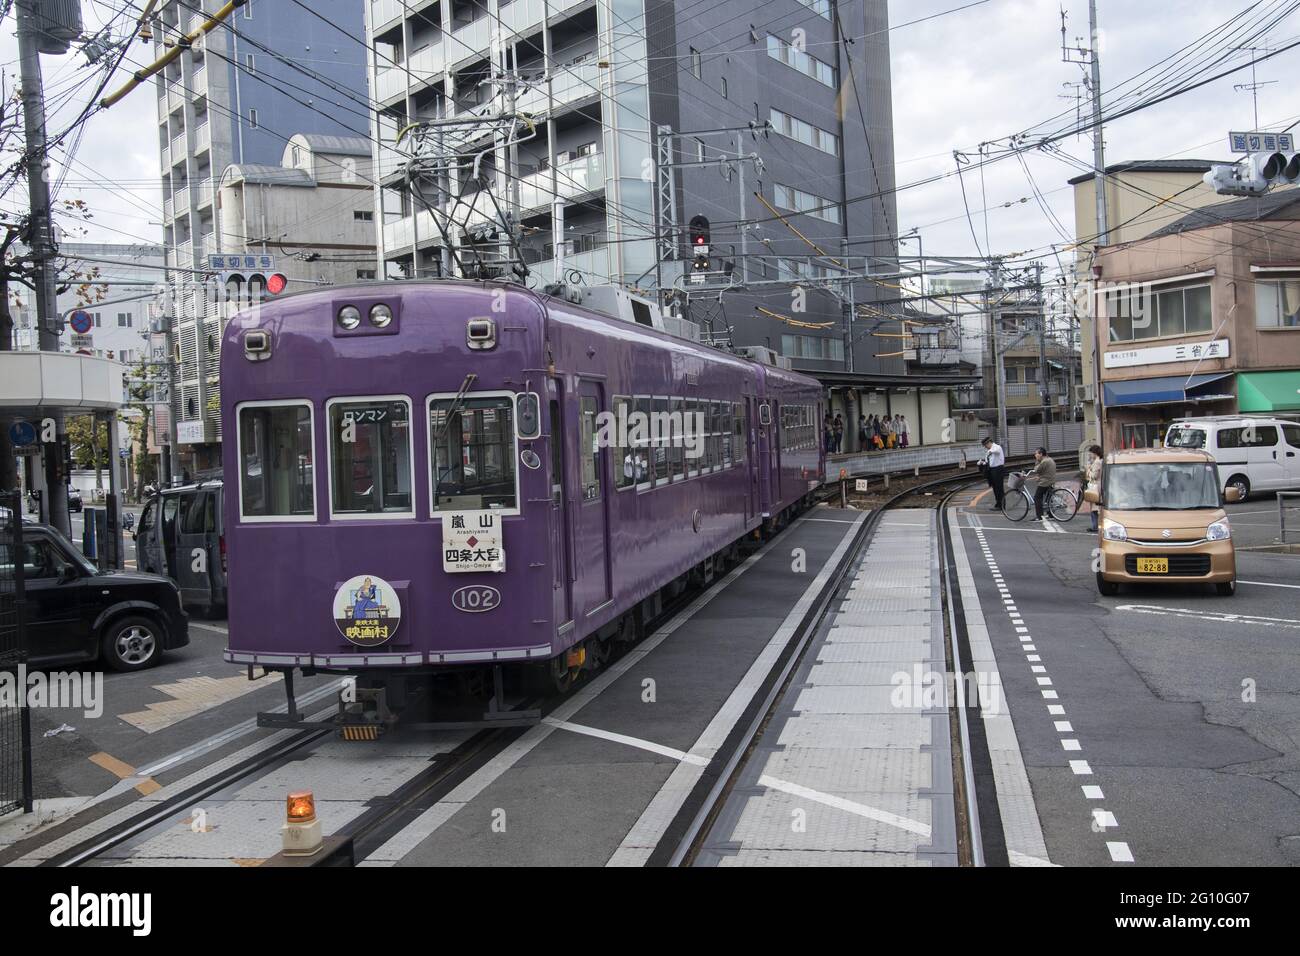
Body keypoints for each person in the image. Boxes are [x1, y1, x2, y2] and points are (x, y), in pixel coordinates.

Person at [1029, 446, 1057, 521]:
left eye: (1036, 454)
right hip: (1051, 480)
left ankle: (1039, 516)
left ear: (1041, 454)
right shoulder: (1050, 459)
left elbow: (1037, 469)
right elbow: (1044, 472)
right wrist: (1039, 477)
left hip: (1045, 482)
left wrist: (1037, 461)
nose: (1035, 455)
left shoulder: (1044, 461)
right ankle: (1050, 514)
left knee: (1037, 497)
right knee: (1048, 498)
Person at [980, 436, 1006, 511]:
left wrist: (991, 451)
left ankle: (1002, 505)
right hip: (992, 470)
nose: (985, 447)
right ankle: (998, 503)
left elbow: (996, 451)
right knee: (995, 488)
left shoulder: (997, 447)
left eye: (985, 445)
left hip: (998, 469)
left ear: (989, 443)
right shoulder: (989, 450)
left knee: (999, 488)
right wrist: (982, 462)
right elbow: (988, 461)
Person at [1083, 444, 1104, 532]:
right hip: (1100, 485)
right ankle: (1097, 525)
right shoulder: (1102, 460)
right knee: (1098, 507)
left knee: (1094, 507)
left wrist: (1088, 470)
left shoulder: (1097, 462)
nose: (1090, 455)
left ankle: (1095, 526)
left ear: (1095, 453)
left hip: (1095, 486)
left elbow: (1094, 476)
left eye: (1091, 453)